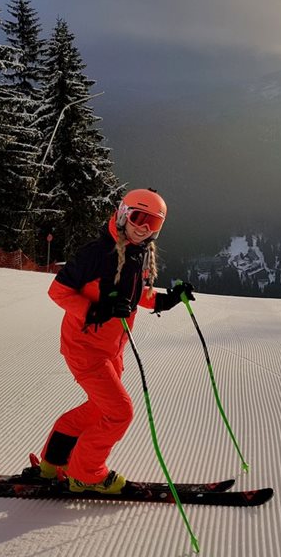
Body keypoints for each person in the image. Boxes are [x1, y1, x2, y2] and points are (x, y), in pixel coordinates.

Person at [34, 188, 194, 494]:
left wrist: (167, 300)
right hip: (85, 348)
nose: (144, 227)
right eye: (139, 217)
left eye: (153, 224)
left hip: (111, 349)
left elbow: (134, 296)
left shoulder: (136, 254)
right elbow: (58, 292)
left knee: (98, 408)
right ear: (123, 214)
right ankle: (86, 473)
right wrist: (96, 310)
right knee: (120, 411)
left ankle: (52, 464)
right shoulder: (97, 253)